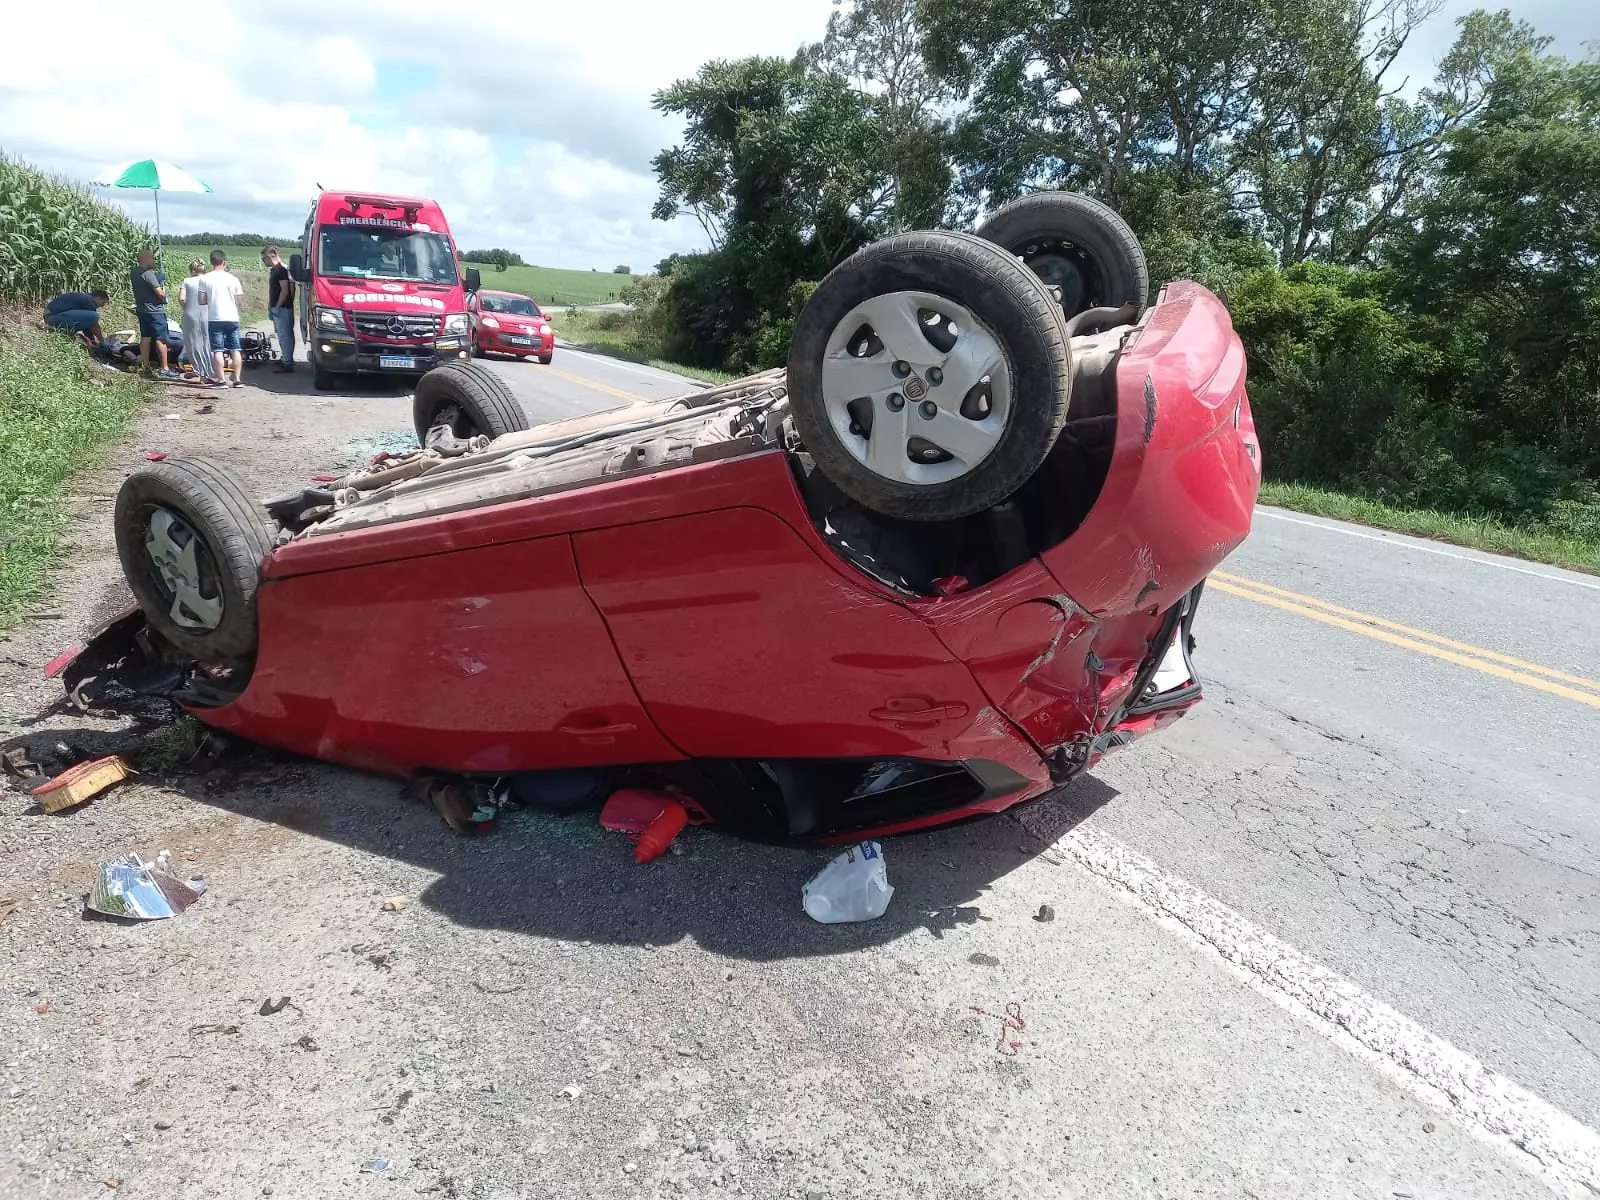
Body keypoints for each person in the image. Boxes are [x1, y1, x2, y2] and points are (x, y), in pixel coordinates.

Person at [199, 249, 245, 388]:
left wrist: (212, 301)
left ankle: (221, 380)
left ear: (212, 262)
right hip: (232, 317)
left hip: (215, 318)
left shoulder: (205, 278)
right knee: (235, 349)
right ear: (224, 262)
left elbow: (201, 300)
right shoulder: (233, 279)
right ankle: (237, 380)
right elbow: (239, 302)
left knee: (217, 350)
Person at [131, 250, 180, 378]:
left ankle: (146, 366)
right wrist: (164, 298)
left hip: (142, 309)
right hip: (155, 311)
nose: (153, 261)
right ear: (145, 259)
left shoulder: (134, 272)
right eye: (152, 258)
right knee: (161, 338)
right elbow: (160, 293)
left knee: (146, 337)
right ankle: (164, 368)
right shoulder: (148, 274)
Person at [177, 261, 215, 380]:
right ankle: (210, 371)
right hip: (207, 314)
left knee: (192, 343)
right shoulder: (210, 280)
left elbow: (182, 299)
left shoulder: (187, 281)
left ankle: (197, 369)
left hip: (190, 314)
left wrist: (187, 308)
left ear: (192, 271)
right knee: (207, 342)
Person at [261, 245, 295, 372]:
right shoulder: (274, 270)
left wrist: (278, 306)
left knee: (285, 335)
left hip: (283, 308)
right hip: (278, 307)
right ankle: (286, 358)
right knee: (282, 335)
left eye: (264, 258)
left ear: (271, 256)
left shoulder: (281, 270)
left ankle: (287, 362)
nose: (264, 261)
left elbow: (286, 290)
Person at [43, 289, 110, 343]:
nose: (102, 306)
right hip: (51, 317)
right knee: (94, 316)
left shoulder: (86, 297)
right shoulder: (89, 301)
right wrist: (101, 340)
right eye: (103, 303)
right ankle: (53, 327)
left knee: (91, 317)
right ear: (99, 298)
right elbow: (92, 324)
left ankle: (65, 331)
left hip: (54, 316)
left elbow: (86, 322)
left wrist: (92, 339)